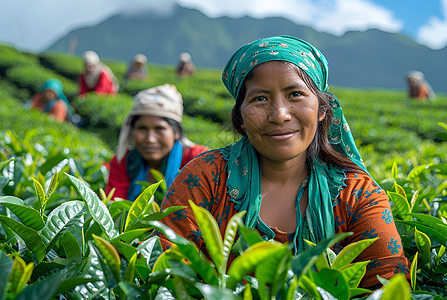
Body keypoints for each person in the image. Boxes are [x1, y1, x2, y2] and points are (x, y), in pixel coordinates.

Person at [154, 36, 411, 290]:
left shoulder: (357, 194)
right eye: (260, 99)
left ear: (322, 110)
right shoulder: (205, 178)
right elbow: (163, 271)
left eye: (296, 94)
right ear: (240, 118)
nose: (279, 115)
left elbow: (390, 287)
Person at [105, 83, 209, 201]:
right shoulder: (125, 161)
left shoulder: (198, 160)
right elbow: (114, 206)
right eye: (142, 129)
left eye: (159, 129)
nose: (150, 139)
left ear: (176, 133)